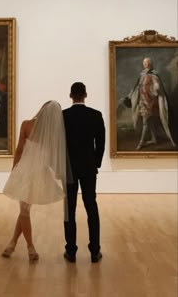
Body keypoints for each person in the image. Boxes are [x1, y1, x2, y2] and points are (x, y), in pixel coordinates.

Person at [2, 100, 67, 262]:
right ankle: (26, 246)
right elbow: (52, 157)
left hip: (26, 170)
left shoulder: (26, 124)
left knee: (24, 210)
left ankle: (15, 244)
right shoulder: (53, 133)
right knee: (24, 210)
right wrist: (57, 172)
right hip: (38, 173)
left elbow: (19, 150)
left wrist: (14, 170)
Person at [63, 82, 105, 263]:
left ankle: (71, 251)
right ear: (85, 95)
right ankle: (95, 251)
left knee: (69, 209)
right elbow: (101, 144)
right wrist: (95, 162)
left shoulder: (63, 116)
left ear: (70, 95)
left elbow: (59, 144)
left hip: (69, 168)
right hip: (88, 168)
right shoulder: (95, 115)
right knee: (91, 206)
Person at [120, 57, 176, 150]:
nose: (145, 64)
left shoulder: (154, 74)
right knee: (149, 121)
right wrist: (130, 95)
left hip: (151, 101)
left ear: (150, 63)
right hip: (143, 101)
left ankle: (141, 142)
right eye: (144, 63)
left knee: (146, 122)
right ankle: (154, 139)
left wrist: (154, 90)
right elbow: (137, 87)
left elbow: (157, 86)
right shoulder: (142, 74)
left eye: (147, 62)